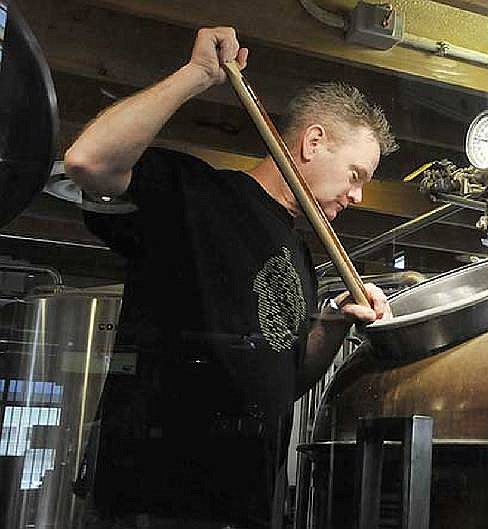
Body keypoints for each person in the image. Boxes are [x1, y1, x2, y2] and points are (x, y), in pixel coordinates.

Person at [65, 27, 395, 528]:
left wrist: (333, 324)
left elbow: (282, 385)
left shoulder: (299, 253)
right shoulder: (196, 195)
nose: (358, 197)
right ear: (312, 142)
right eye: (356, 175)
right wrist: (197, 75)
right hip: (153, 502)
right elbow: (87, 161)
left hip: (242, 506)